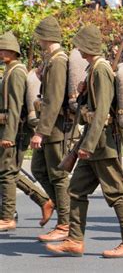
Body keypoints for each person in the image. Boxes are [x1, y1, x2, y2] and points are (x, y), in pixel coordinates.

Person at [46, 25, 123, 257]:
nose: (76, 49)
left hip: (102, 144)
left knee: (116, 193)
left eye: (79, 44)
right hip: (93, 142)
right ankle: (75, 240)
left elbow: (101, 113)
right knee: (76, 190)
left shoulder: (100, 70)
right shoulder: (93, 69)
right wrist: (83, 94)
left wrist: (86, 146)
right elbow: (91, 108)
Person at [0, 32, 51, 231]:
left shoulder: (16, 72)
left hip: (16, 130)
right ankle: (44, 200)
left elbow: (14, 107)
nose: (2, 52)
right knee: (8, 171)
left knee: (7, 172)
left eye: (5, 49)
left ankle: (8, 217)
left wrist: (9, 136)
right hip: (9, 128)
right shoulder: (10, 70)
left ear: (14, 52)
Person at [30, 16, 71, 242]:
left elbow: (53, 99)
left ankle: (65, 224)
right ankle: (59, 205)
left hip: (55, 128)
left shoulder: (58, 61)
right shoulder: (52, 60)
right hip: (50, 126)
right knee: (38, 169)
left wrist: (40, 132)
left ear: (46, 37)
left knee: (58, 175)